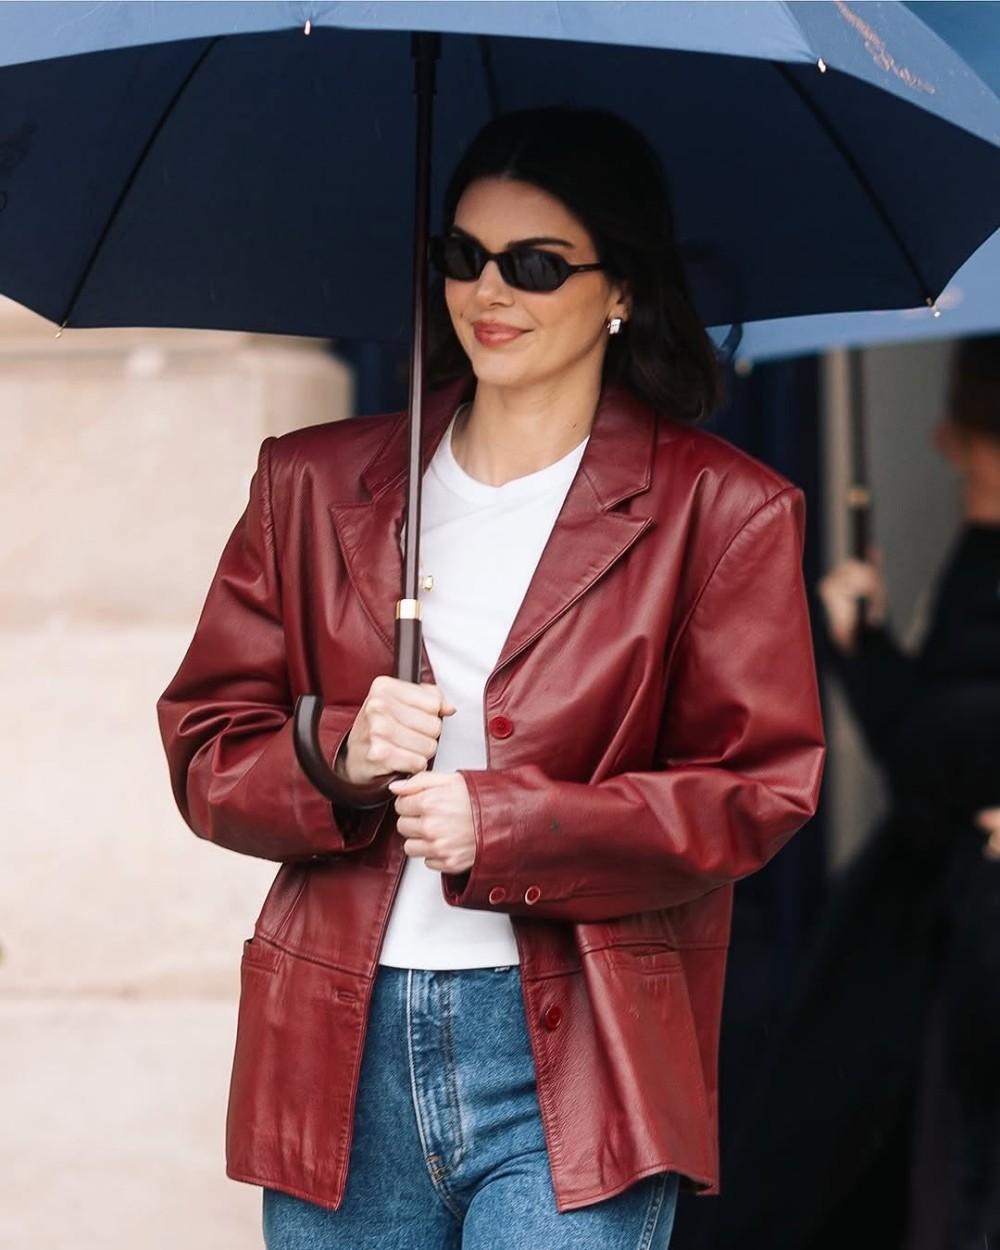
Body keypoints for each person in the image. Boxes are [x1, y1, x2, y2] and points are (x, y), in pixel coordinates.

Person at [156, 107, 824, 1250]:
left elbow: (755, 790)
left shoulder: (722, 510)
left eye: (535, 264)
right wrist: (336, 751)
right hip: (340, 1043)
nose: (487, 291)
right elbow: (205, 746)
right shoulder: (312, 483)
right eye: (462, 254)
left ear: (621, 289)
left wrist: (507, 823)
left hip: (579, 1055)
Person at [699, 334, 1000, 1250]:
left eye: (971, 428)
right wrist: (866, 644)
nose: (943, 442)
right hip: (935, 928)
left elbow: (953, 745)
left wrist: (865, 656)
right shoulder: (980, 552)